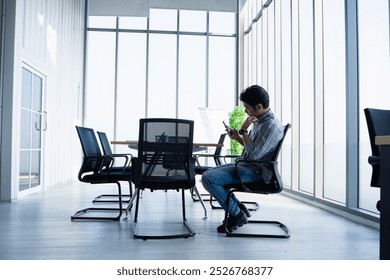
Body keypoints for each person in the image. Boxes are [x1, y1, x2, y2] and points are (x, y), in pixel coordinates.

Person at [201, 85, 285, 233]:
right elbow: (251, 148)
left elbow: (253, 156)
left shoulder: (271, 126)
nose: (245, 110)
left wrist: (244, 130)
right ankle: (239, 208)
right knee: (209, 174)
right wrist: (239, 137)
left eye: (247, 107)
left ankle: (237, 214)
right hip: (247, 166)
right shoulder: (260, 121)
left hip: (255, 172)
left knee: (209, 179)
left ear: (258, 106)